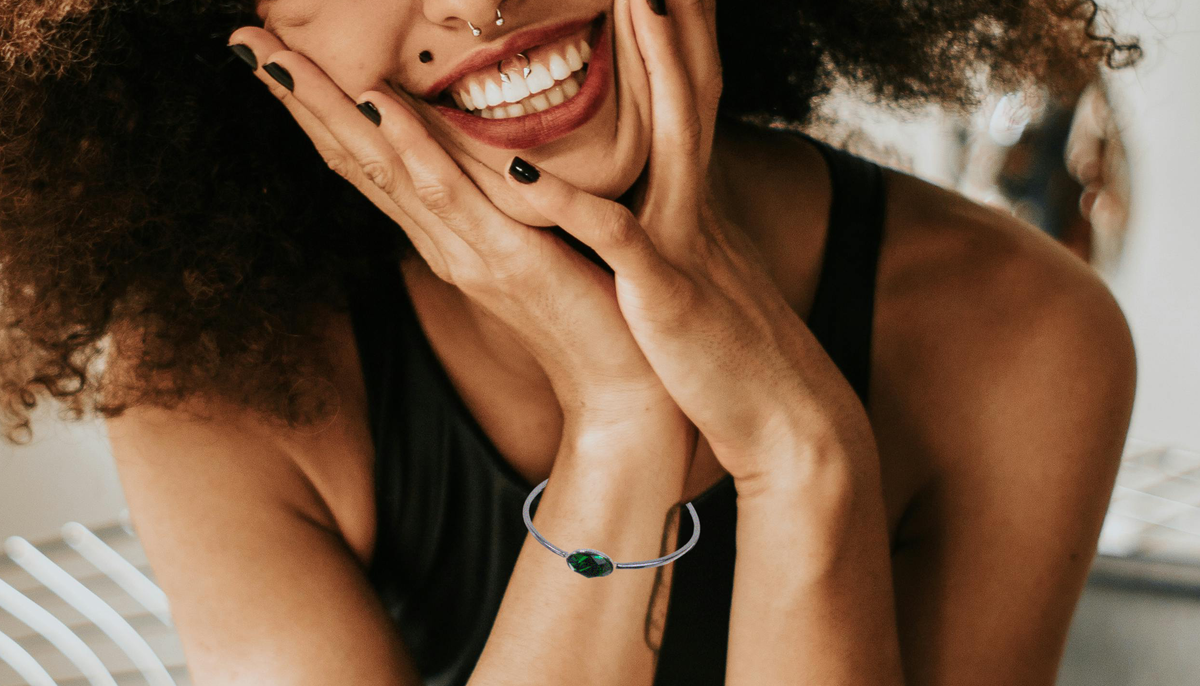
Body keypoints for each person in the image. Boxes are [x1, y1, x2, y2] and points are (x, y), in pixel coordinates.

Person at [0, 0, 1143, 684]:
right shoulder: (219, 384)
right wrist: (621, 418)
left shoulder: (1022, 334)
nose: (481, 1)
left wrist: (806, 456)